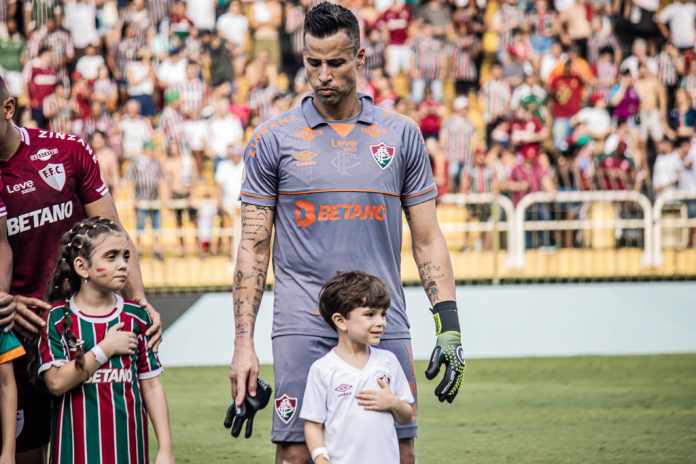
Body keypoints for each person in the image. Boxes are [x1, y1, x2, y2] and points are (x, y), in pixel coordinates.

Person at [228, 4, 464, 464]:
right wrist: (243, 344)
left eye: (335, 63)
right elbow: (254, 247)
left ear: (360, 59)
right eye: (313, 63)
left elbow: (428, 238)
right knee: (297, 453)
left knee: (398, 449)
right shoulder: (272, 139)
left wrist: (449, 327)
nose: (322, 75)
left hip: (382, 317)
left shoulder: (401, 135)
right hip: (302, 321)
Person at [0, 75, 161, 463]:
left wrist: (138, 300)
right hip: (20, 332)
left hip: (84, 325)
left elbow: (112, 232)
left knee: (95, 442)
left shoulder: (66, 151)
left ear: (7, 109)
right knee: (25, 452)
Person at [38, 217, 173, 464]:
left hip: (129, 453)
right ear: (82, 267)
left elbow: (152, 386)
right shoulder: (56, 318)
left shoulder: (137, 317)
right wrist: (105, 349)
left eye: (125, 256)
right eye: (111, 257)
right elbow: (56, 382)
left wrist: (165, 449)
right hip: (74, 455)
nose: (123, 265)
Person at [301, 271, 414, 464]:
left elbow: (406, 415)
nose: (381, 322)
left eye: (383, 314)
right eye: (370, 314)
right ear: (341, 321)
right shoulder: (323, 369)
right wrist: (320, 457)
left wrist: (394, 403)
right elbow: (312, 423)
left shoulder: (388, 362)